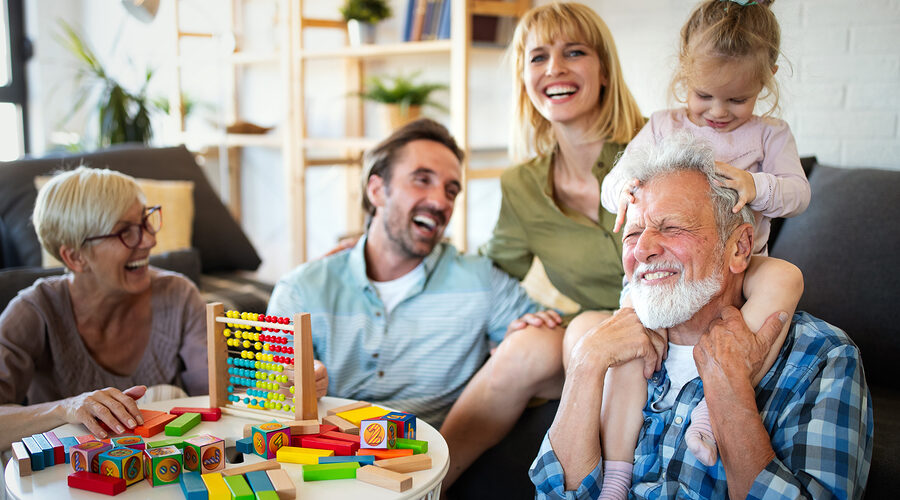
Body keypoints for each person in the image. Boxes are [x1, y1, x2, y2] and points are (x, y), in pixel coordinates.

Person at [529, 132, 872, 499]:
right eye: (631, 235)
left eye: (671, 227)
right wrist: (585, 363)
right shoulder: (610, 350)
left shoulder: (822, 358)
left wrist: (730, 393)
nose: (643, 250)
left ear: (740, 247)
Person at [592, 1, 811, 493]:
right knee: (628, 349)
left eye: (736, 100)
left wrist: (758, 186)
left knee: (786, 277)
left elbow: (799, 194)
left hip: (742, 263)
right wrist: (624, 189)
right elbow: (612, 186)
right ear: (683, 74)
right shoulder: (664, 125)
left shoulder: (770, 134)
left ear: (768, 78)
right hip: (669, 271)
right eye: (703, 94)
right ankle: (616, 476)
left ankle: (715, 411)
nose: (716, 112)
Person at [440, 3, 645, 486]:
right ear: (524, 78)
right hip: (593, 336)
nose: (554, 69)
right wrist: (364, 251)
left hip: (670, 325)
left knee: (585, 338)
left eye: (574, 52)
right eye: (538, 57)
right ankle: (428, 485)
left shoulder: (658, 145)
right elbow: (488, 272)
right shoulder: (522, 186)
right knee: (525, 346)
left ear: (603, 71)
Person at [267, 119, 562, 433]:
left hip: (437, 464)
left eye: (451, 191)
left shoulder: (480, 281)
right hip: (327, 463)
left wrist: (522, 342)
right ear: (377, 190)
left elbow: (559, 355)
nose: (440, 202)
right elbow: (272, 399)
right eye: (422, 180)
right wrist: (292, 386)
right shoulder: (300, 291)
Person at [0, 167, 208, 450]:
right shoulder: (34, 310)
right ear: (75, 257)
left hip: (161, 479)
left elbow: (217, 398)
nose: (149, 240)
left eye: (146, 221)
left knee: (166, 394)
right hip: (64, 484)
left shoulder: (180, 295)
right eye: (126, 232)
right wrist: (67, 408)